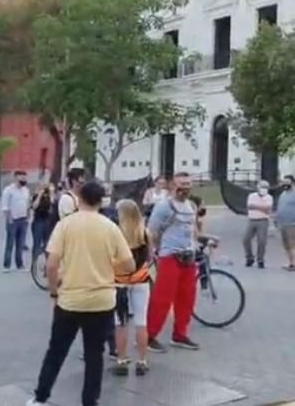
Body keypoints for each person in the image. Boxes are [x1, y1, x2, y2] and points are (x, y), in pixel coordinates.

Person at [26, 181, 135, 406]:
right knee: (94, 355)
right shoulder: (110, 227)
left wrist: (54, 293)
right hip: (102, 301)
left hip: (70, 300)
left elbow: (52, 265)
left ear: (80, 198)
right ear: (101, 201)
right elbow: (129, 265)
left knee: (56, 351)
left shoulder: (66, 225)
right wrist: (108, 267)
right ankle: (89, 401)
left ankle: (40, 397)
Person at [146, 172, 200, 352]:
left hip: (188, 257)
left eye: (188, 184)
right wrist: (151, 254)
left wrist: (199, 243)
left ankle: (180, 334)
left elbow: (192, 231)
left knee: (187, 298)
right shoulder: (164, 206)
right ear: (172, 186)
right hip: (169, 257)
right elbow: (151, 231)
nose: (185, 188)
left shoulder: (191, 206)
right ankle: (149, 336)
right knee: (162, 298)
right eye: (181, 184)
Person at [110, 199, 153, 377]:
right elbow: (150, 257)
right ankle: (142, 361)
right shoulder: (144, 232)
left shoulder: (115, 233)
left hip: (119, 283)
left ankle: (121, 360)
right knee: (141, 322)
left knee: (120, 323)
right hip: (141, 280)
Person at [1, 171, 31, 272]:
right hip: (13, 220)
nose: (23, 179)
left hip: (23, 219)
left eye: (25, 178)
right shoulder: (8, 190)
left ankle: (20, 265)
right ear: (16, 177)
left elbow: (27, 204)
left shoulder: (26, 190)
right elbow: (5, 206)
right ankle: (6, 265)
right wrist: (9, 218)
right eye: (21, 177)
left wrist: (28, 217)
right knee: (10, 242)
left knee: (20, 243)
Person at [243, 180, 273, 268]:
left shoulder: (269, 197)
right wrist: (262, 207)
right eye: (262, 187)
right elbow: (249, 206)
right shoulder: (252, 196)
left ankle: (260, 260)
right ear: (258, 188)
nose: (264, 189)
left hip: (263, 220)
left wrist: (256, 207)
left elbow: (268, 210)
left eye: (265, 187)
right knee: (246, 240)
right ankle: (249, 257)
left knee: (261, 241)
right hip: (252, 219)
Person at [275, 175, 295, 271]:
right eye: (284, 182)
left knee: (292, 244)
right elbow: (280, 207)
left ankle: (293, 264)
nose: (285, 184)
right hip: (283, 223)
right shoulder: (283, 194)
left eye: (287, 182)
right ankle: (291, 262)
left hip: (292, 223)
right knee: (286, 245)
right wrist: (276, 219)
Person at [31, 184, 54, 261]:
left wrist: (51, 194)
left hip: (47, 221)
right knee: (37, 243)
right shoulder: (36, 196)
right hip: (38, 221)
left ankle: (47, 262)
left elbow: (52, 206)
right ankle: (34, 262)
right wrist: (39, 196)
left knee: (47, 243)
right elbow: (34, 206)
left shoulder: (49, 197)